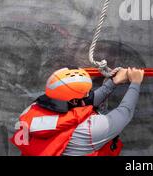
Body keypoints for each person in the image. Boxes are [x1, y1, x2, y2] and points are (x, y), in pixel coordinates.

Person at [11, 67, 144, 156]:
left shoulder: (30, 111)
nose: (89, 95)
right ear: (75, 101)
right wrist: (135, 82)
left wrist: (113, 83)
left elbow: (84, 103)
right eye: (87, 93)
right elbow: (125, 112)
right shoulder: (90, 129)